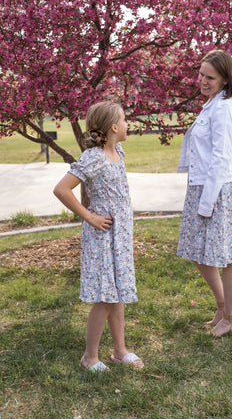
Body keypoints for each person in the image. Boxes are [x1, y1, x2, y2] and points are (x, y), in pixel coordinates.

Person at [53, 101, 144, 371]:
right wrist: (90, 216)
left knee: (117, 295)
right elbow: (62, 189)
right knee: (105, 297)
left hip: (120, 237)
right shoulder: (94, 157)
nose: (128, 124)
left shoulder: (118, 151)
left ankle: (119, 350)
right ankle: (89, 357)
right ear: (114, 127)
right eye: (125, 119)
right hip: (103, 237)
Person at [177, 49, 232, 338]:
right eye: (201, 75)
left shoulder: (225, 107)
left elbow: (221, 157)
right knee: (199, 251)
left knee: (230, 255)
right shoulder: (212, 105)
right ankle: (223, 308)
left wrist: (207, 201)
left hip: (221, 188)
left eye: (210, 77)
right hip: (204, 185)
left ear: (224, 79)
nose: (203, 81)